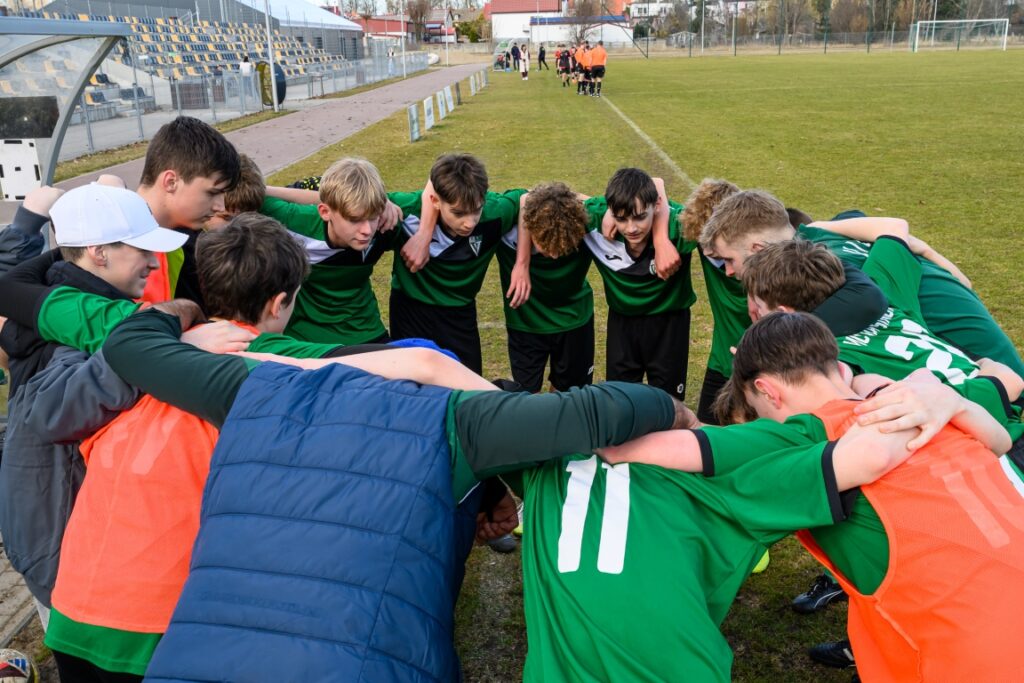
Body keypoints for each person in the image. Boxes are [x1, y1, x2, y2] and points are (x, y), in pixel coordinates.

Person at [90, 300, 688, 681]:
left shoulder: (251, 387)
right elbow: (612, 408)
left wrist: (185, 310)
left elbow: (131, 344)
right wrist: (687, 420)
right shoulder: (455, 416)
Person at [40, 215, 485, 681]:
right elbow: (417, 363)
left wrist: (179, 315)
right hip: (164, 627)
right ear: (279, 303)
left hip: (74, 610)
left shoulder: (141, 362)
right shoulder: (278, 381)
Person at [611, 311, 1024, 682]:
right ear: (840, 369)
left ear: (768, 391)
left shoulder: (800, 435)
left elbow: (664, 450)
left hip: (971, 655)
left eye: (756, 410)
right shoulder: (923, 405)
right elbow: (1002, 403)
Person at [513, 363, 976, 681]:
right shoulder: (725, 481)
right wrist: (934, 394)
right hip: (679, 668)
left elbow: (474, 410)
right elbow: (866, 456)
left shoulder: (539, 464)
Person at [0, 185, 188, 628]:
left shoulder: (58, 301)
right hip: (63, 558)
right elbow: (54, 410)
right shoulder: (72, 333)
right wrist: (153, 344)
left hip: (54, 543)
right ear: (98, 252)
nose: (154, 262)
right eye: (142, 249)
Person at [702, 188, 1024, 379]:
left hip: (987, 376)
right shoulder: (820, 238)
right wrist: (928, 252)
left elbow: (869, 300)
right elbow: (895, 228)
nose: (728, 271)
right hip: (990, 367)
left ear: (759, 250)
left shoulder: (843, 284)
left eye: (729, 260)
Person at [387, 153, 525, 374]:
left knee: (467, 392)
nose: (469, 222)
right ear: (434, 201)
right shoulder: (406, 211)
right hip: (410, 313)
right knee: (410, 388)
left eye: (477, 210)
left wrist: (522, 264)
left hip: (460, 315)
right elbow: (353, 200)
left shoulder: (496, 213)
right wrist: (382, 203)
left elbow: (526, 199)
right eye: (458, 213)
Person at [582, 168, 696, 399]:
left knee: (668, 402)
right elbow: (545, 198)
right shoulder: (595, 217)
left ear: (657, 206)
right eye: (621, 218)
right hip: (622, 324)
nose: (631, 228)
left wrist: (661, 238)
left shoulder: (680, 226)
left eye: (640, 217)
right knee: (620, 400)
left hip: (669, 324)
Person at [498, 182, 595, 393]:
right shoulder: (507, 220)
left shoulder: (585, 219)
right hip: (525, 324)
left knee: (570, 397)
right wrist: (521, 262)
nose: (553, 254)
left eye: (562, 247)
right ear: (530, 226)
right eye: (545, 245)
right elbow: (524, 197)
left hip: (574, 321)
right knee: (524, 396)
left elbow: (604, 203)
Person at [135, 116, 241, 307]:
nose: (220, 207)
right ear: (171, 182)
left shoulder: (180, 238)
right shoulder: (112, 246)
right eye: (212, 193)